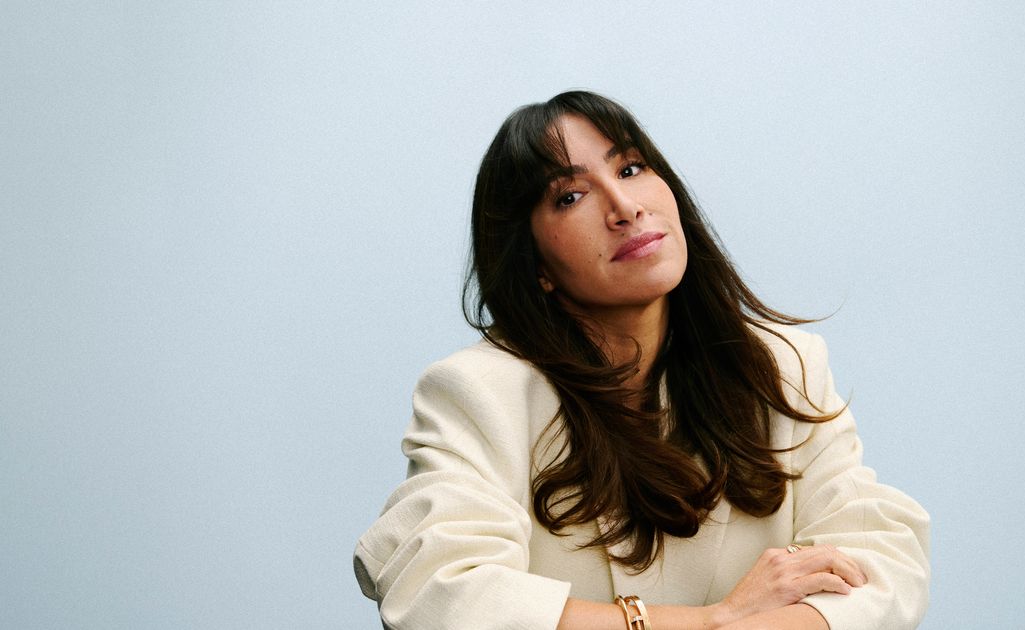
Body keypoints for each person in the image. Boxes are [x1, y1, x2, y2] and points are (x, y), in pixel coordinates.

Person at [354, 91, 930, 630]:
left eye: (630, 168)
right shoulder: (479, 391)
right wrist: (710, 620)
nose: (625, 207)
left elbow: (881, 560)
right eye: (570, 197)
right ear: (536, 264)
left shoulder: (782, 365)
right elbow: (442, 592)